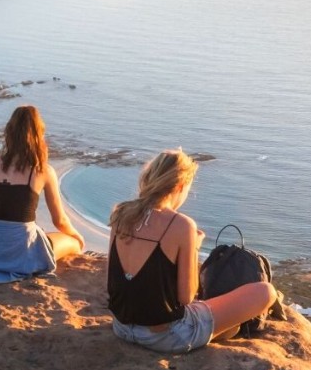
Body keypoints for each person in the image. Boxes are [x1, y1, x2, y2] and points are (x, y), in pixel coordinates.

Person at [107, 149, 276, 354]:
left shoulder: (120, 213)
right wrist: (193, 247)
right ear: (179, 186)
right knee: (265, 292)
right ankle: (218, 331)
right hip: (166, 337)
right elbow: (186, 297)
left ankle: (223, 329)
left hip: (122, 327)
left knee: (226, 320)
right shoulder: (181, 225)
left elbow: (114, 278)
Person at [0, 105, 84, 282]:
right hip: (22, 259)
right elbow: (60, 221)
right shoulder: (43, 171)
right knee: (72, 242)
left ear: (8, 133)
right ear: (39, 135)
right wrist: (77, 235)